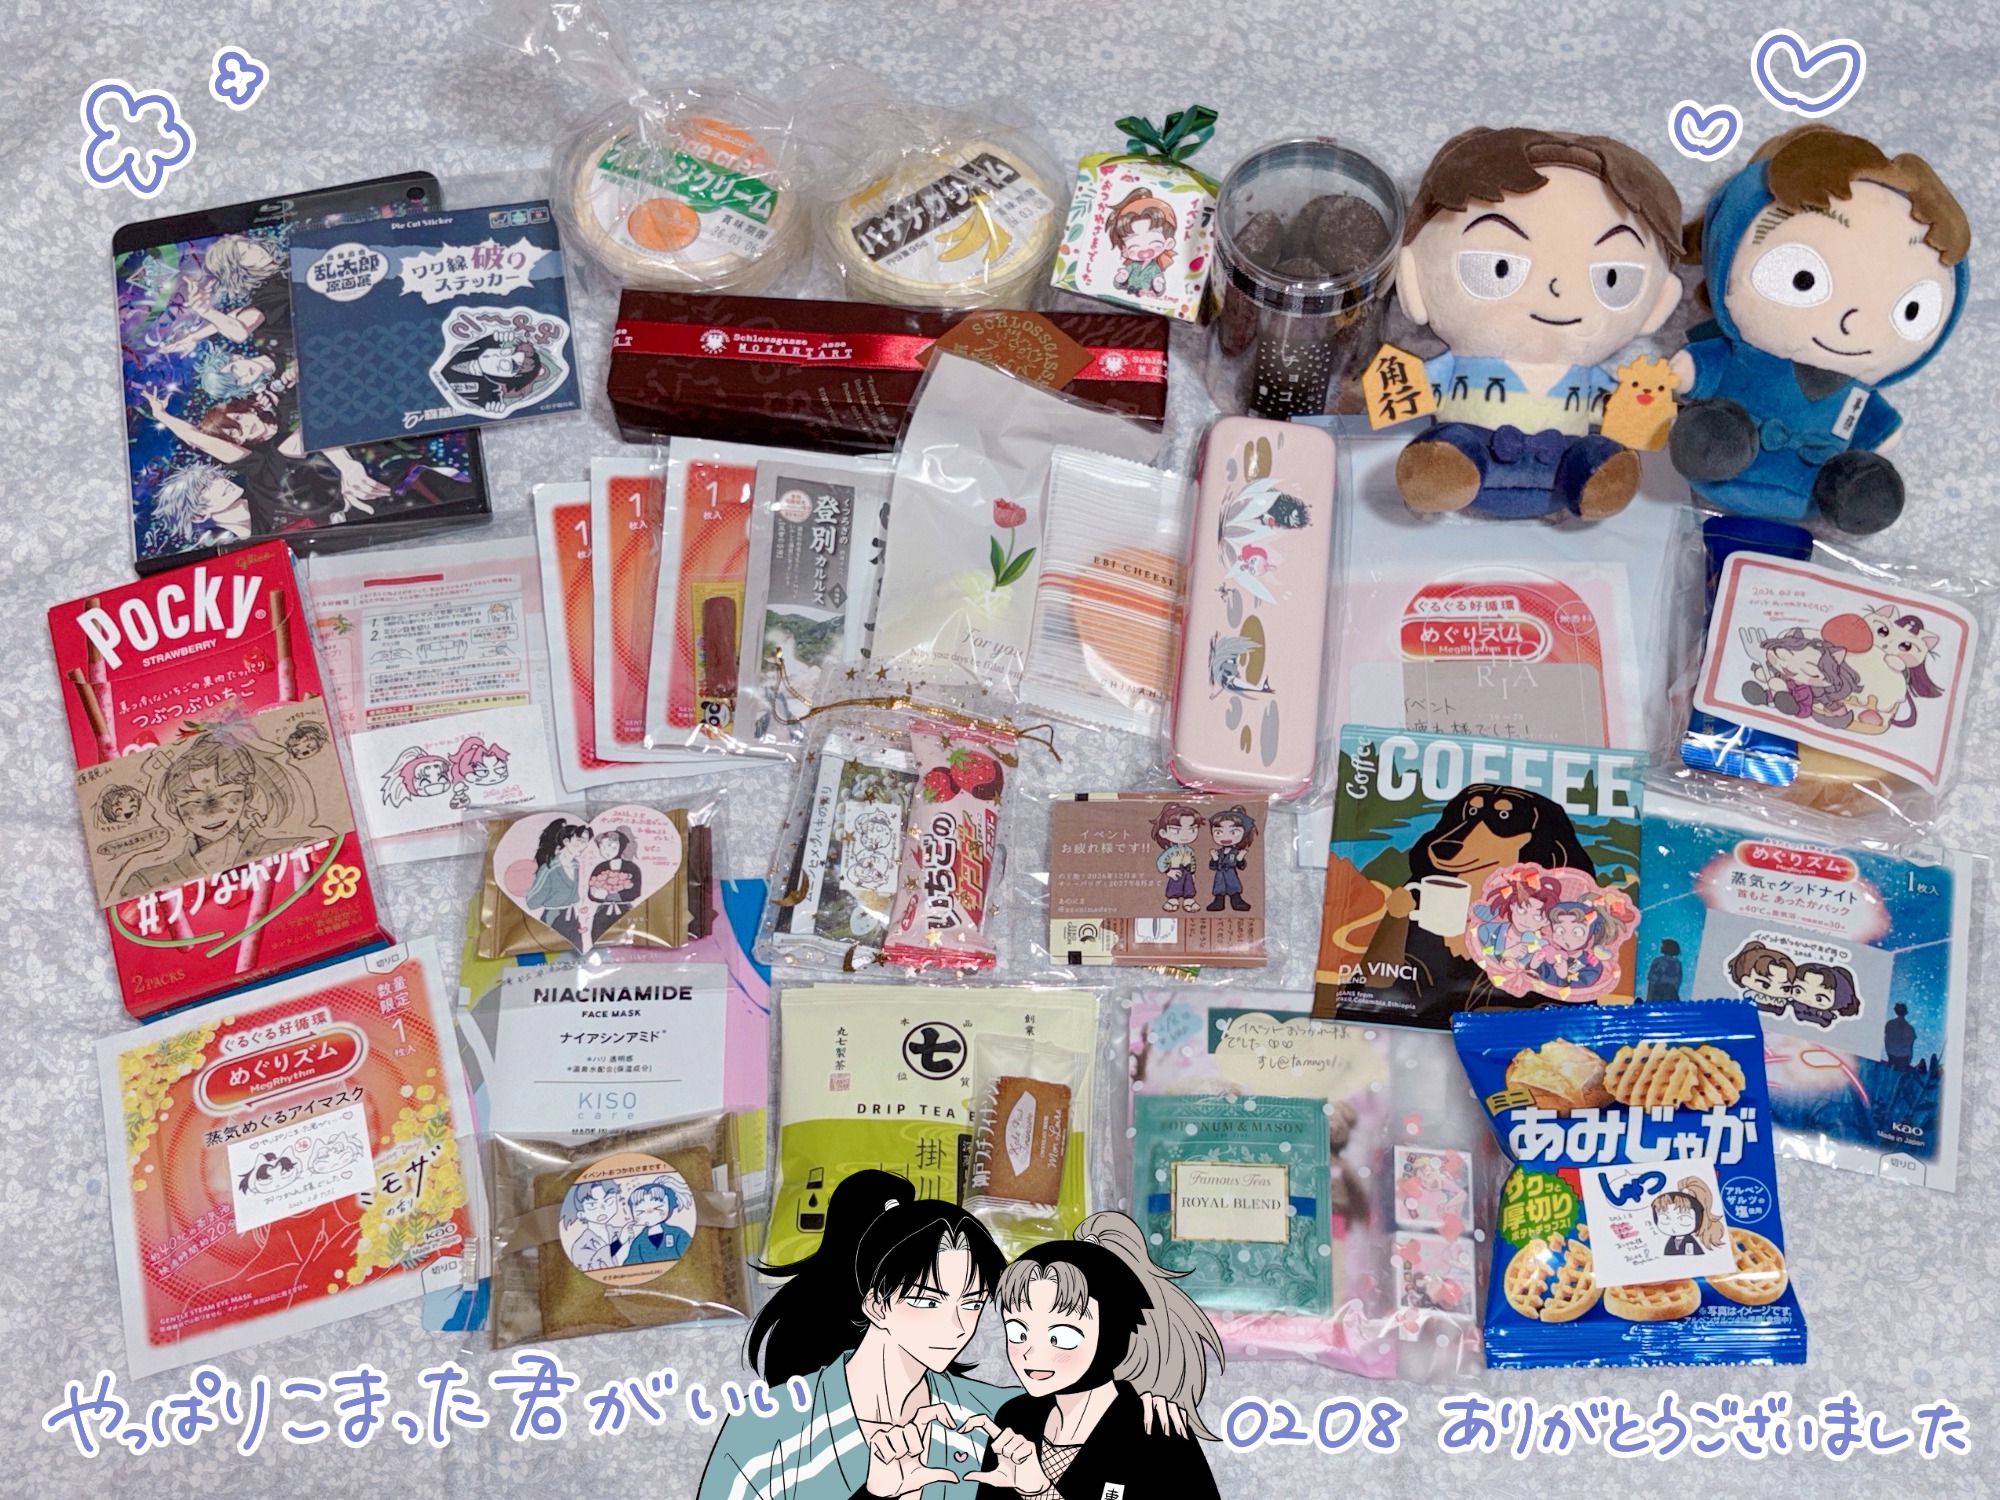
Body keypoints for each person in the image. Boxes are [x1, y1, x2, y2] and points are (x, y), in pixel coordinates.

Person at [697, 1173, 1185, 1500]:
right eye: (928, 1301)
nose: (956, 1327)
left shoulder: (1002, 1417)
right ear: (876, 1304)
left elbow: (1093, 1421)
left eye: (971, 1303)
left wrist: (1141, 1407)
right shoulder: (766, 1432)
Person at [1393, 127, 1684, 518]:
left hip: (1563, 471)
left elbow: (1629, 411)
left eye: (1611, 277)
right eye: (1499, 267)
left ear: (1658, 303)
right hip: (1470, 456)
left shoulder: (1596, 378)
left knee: (1599, 459)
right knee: (1448, 450)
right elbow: (1399, 391)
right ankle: (1445, 470)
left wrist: (1652, 408)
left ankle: (1593, 480)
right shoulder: (1453, 366)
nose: (1557, 288)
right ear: (1412, 279)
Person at [976, 1212, 1222, 1500]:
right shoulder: (1015, 1418)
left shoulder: (1158, 1429)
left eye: (1060, 1337)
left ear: (1112, 1332)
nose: (1031, 1352)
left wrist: (1039, 1492)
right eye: (1018, 1332)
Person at [1883, 1002, 1918, 1070]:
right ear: (1905, 1012)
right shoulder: (1909, 1028)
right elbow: (1910, 1047)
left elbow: (1887, 1040)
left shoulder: (1889, 1024)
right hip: (1903, 1059)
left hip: (1891, 1056)